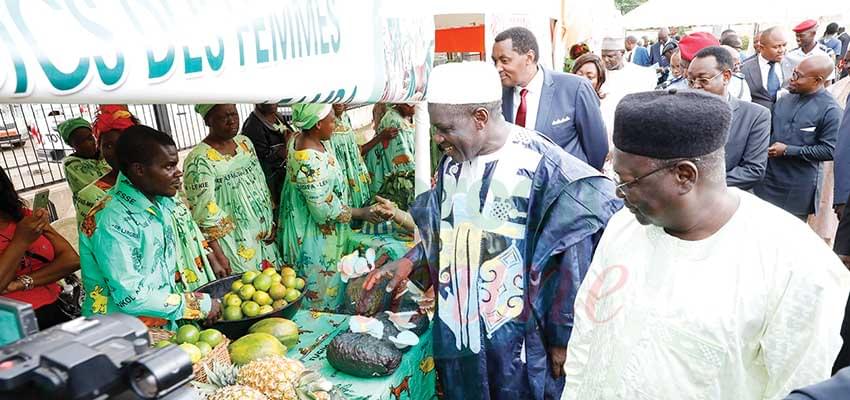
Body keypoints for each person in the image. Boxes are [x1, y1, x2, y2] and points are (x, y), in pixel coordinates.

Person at [562, 89, 850, 399]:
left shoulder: (797, 266)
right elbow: (587, 333)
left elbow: (796, 383)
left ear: (684, 176)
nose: (619, 193)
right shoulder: (623, 227)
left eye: (628, 182)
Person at [364, 61, 620, 400]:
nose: (437, 138)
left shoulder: (543, 168)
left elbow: (571, 261)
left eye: (444, 128)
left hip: (518, 344)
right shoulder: (454, 160)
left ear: (480, 118)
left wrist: (563, 339)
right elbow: (447, 228)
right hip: (458, 335)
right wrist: (411, 260)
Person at [78, 126, 221, 328]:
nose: (178, 173)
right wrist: (197, 305)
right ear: (139, 170)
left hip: (159, 322)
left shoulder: (162, 202)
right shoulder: (112, 221)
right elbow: (131, 296)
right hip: (121, 333)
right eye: (168, 167)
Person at [183, 104, 281, 274]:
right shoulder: (198, 160)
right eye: (224, 117)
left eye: (234, 114)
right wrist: (219, 256)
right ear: (208, 121)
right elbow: (203, 213)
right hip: (235, 245)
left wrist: (269, 221)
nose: (232, 121)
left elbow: (260, 181)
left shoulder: (245, 143)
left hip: (264, 238)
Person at [494, 27, 608, 170]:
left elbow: (597, 150)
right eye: (495, 61)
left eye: (504, 60)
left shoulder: (575, 88)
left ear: (529, 58)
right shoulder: (497, 94)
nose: (498, 67)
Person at [754, 56, 841, 220]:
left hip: (795, 190)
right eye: (793, 73)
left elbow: (830, 150)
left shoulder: (831, 110)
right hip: (766, 182)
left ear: (817, 80)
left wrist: (788, 150)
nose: (791, 80)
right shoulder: (784, 99)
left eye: (798, 76)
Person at [0, 167, 79, 330]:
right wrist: (20, 241)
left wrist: (22, 283)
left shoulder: (22, 216)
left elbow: (71, 260)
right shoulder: (24, 228)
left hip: (57, 308)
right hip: (12, 326)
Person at [688, 46, 770, 189]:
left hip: (727, 199)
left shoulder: (756, 116)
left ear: (726, 77)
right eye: (690, 81)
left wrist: (702, 186)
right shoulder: (682, 112)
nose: (695, 86)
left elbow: (753, 170)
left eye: (703, 80)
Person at [361, 103, 416, 211]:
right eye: (413, 105)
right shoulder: (394, 121)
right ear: (403, 104)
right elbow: (403, 162)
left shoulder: (400, 118)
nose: (415, 108)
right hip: (395, 184)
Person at [600, 37, 657, 140]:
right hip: (603, 131)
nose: (605, 60)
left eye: (610, 56)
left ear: (621, 53)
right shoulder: (599, 74)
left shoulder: (639, 74)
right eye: (603, 56)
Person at [240, 103, 293, 209]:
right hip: (273, 184)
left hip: (285, 177)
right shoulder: (252, 127)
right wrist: (285, 148)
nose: (271, 102)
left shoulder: (278, 116)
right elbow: (261, 160)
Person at [328, 104, 372, 209]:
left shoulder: (346, 117)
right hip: (339, 175)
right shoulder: (325, 121)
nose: (339, 103)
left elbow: (353, 147)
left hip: (354, 173)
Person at [58, 117, 110, 196]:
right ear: (72, 145)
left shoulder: (103, 153)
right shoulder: (70, 164)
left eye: (90, 138)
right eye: (81, 141)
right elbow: (98, 184)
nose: (88, 144)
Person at [742, 27, 790, 113]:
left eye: (784, 45)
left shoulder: (792, 65)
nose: (782, 50)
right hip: (757, 120)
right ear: (761, 48)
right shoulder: (744, 68)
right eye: (776, 47)